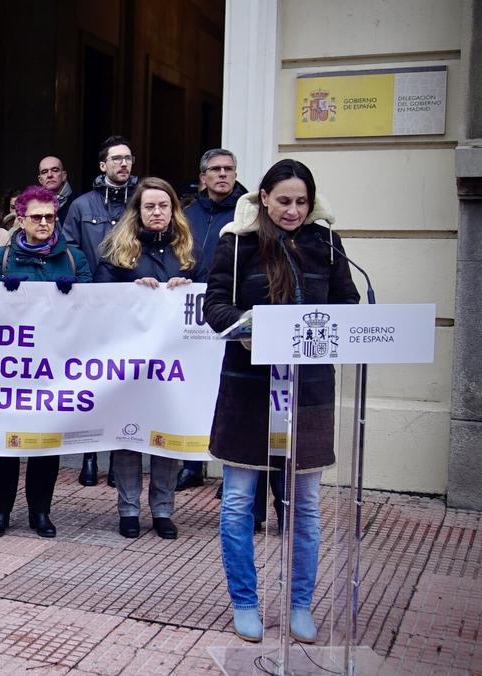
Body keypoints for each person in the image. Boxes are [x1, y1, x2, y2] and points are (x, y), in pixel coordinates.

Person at [204, 159, 359, 643]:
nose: (293, 210)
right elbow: (215, 306)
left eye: (302, 202)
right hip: (248, 387)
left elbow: (346, 305)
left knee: (305, 506)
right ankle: (245, 602)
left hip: (308, 389)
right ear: (264, 198)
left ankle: (299, 605)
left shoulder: (327, 243)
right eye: (284, 200)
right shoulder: (238, 241)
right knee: (237, 503)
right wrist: (254, 327)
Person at [94, 177, 204, 540]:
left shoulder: (189, 252)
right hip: (130, 362)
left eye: (163, 206)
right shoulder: (117, 251)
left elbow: (209, 295)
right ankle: (128, 509)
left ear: (174, 210)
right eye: (149, 207)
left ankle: (162, 510)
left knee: (165, 436)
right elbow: (98, 302)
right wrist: (130, 293)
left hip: (174, 363)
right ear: (137, 213)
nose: (157, 213)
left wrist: (188, 289)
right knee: (129, 436)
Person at [0, 186, 92, 538]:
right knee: (7, 443)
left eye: (50, 216)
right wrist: (1, 293)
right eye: (37, 217)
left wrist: (73, 294)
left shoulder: (74, 259)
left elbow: (94, 306)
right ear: (21, 218)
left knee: (46, 443)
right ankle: (0, 512)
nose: (44, 223)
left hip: (56, 366)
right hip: (11, 366)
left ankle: (40, 512)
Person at [61, 135, 139, 487]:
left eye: (128, 158)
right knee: (90, 381)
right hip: (91, 307)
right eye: (116, 159)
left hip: (131, 307)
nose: (123, 164)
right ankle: (89, 456)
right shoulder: (82, 205)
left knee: (124, 383)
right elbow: (70, 249)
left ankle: (118, 459)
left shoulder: (142, 202)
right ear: (102, 166)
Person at [176, 148, 250, 492]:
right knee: (193, 389)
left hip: (228, 312)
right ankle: (192, 466)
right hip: (189, 315)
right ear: (203, 177)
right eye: (216, 170)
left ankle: (231, 468)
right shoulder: (186, 214)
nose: (223, 174)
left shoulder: (249, 214)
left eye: (229, 169)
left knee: (228, 392)